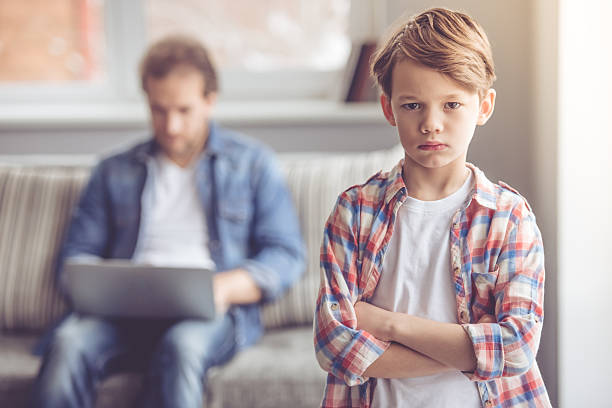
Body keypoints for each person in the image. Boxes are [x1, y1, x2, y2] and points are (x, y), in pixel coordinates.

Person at [31, 35, 305, 408]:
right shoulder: (113, 171)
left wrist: (224, 287)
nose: (171, 125)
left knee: (183, 347)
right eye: (159, 110)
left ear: (210, 101)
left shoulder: (253, 164)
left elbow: (286, 254)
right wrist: (97, 282)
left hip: (204, 314)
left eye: (183, 110)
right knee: (68, 344)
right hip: (120, 315)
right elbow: (76, 255)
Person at [314, 7, 550, 408]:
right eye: (412, 105)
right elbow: (334, 346)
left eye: (452, 105)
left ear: (484, 106)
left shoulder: (509, 218)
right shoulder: (353, 212)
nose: (432, 123)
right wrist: (470, 351)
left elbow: (517, 348)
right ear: (389, 108)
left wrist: (389, 324)